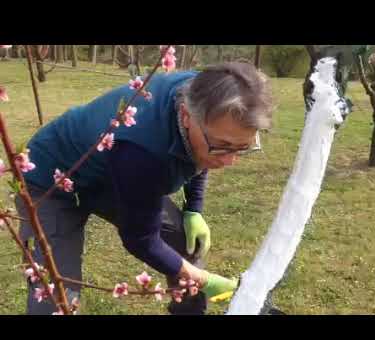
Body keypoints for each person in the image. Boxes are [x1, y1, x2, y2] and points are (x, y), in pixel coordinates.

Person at [15, 61, 273, 315]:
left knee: (181, 239)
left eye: (242, 148)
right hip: (52, 180)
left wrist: (193, 210)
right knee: (55, 294)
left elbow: (198, 155)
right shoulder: (142, 149)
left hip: (115, 170)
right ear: (185, 116)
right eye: (223, 146)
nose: (229, 161)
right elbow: (140, 238)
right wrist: (204, 279)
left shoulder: (208, 90)